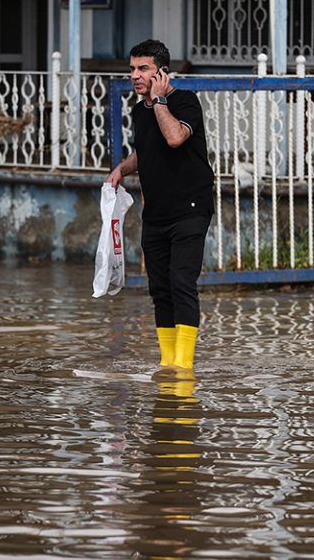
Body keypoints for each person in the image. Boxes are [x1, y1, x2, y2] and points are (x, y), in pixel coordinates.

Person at [105, 39, 214, 376]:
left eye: (143, 69)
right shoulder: (140, 111)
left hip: (190, 209)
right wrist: (122, 169)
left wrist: (160, 100)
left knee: (182, 282)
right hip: (155, 213)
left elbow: (174, 137)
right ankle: (168, 364)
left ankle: (184, 365)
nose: (135, 76)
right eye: (132, 69)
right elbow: (147, 150)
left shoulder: (185, 101)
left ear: (162, 72)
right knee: (160, 289)